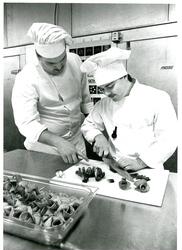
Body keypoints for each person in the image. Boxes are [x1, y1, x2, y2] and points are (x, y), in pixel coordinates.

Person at [80, 47, 178, 171]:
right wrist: (97, 136)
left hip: (148, 167)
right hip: (116, 167)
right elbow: (88, 125)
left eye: (110, 86)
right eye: (102, 89)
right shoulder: (104, 104)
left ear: (124, 77)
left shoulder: (157, 98)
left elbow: (169, 138)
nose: (106, 93)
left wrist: (140, 162)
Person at [12, 23, 93, 164]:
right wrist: (58, 142)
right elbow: (27, 122)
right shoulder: (26, 77)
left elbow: (86, 102)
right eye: (50, 63)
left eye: (62, 59)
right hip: (44, 148)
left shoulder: (75, 60)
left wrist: (96, 131)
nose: (59, 66)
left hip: (76, 141)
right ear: (38, 56)